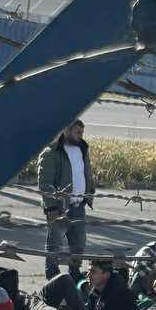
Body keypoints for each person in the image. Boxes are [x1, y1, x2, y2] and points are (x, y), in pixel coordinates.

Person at [38, 119, 93, 279]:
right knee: (55, 244)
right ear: (66, 131)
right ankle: (52, 276)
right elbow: (45, 183)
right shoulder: (52, 152)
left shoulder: (82, 149)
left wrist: (90, 191)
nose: (81, 136)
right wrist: (51, 207)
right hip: (60, 207)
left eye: (82, 133)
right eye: (78, 132)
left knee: (78, 244)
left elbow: (85, 173)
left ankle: (75, 275)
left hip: (79, 205)